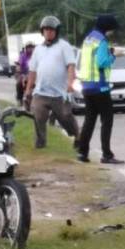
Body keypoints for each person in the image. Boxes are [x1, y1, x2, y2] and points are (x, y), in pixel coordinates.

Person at [24, 16, 80, 149]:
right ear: (42, 32)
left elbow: (71, 66)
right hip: (41, 93)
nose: (48, 32)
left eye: (51, 30)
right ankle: (40, 145)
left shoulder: (64, 46)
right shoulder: (38, 50)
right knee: (38, 117)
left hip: (59, 94)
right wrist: (28, 90)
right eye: (46, 30)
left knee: (66, 118)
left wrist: (71, 83)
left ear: (56, 31)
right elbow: (32, 71)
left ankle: (78, 137)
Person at [76, 14, 124, 164]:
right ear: (106, 29)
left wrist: (108, 51)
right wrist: (114, 55)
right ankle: (107, 154)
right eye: (111, 30)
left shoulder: (88, 39)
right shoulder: (102, 40)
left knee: (89, 120)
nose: (111, 33)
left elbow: (92, 58)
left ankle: (82, 152)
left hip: (87, 86)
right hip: (100, 87)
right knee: (107, 120)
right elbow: (102, 62)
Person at [17, 42, 35, 108]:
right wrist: (19, 69)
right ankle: (19, 99)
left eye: (31, 47)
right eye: (28, 47)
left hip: (34, 75)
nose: (30, 49)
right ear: (26, 48)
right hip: (24, 74)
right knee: (18, 83)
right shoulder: (23, 56)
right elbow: (19, 64)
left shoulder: (36, 56)